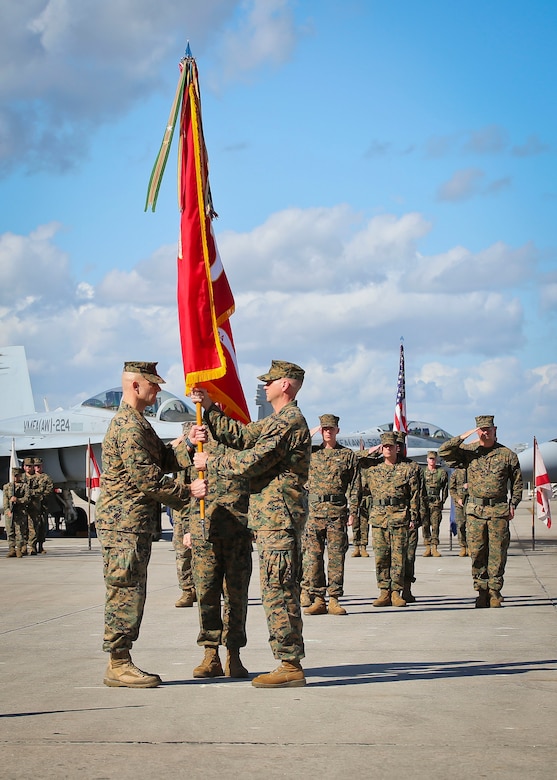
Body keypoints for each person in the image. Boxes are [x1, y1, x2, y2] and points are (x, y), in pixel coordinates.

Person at [190, 359, 311, 689]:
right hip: (270, 519)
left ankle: (289, 663)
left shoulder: (290, 421)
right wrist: (210, 407)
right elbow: (242, 437)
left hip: (279, 517)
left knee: (280, 591)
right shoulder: (278, 420)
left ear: (285, 384)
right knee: (275, 588)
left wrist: (211, 460)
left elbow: (253, 460)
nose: (265, 386)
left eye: (270, 381)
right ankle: (286, 661)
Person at [95, 361, 207, 688]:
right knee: (124, 591)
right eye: (153, 385)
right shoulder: (129, 427)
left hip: (132, 524)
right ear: (135, 386)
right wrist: (188, 491)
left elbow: (163, 459)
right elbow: (149, 479)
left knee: (130, 589)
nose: (157, 390)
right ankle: (118, 663)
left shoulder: (138, 423)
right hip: (123, 525)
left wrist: (187, 444)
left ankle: (121, 659)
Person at [183, 427, 253, 679]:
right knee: (207, 593)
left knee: (236, 596)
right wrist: (186, 528)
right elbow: (185, 487)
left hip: (238, 530)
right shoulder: (195, 437)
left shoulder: (242, 436)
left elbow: (255, 479)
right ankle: (210, 654)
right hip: (204, 531)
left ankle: (234, 654)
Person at [438, 415, 523, 608]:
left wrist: (514, 503)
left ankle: (494, 591)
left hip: (498, 510)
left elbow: (517, 482)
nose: (485, 433)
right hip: (475, 511)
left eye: (488, 429)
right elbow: (444, 451)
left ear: (495, 430)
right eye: (481, 430)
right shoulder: (469, 452)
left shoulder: (506, 455)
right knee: (476, 552)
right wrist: (464, 436)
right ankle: (481, 591)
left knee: (497, 553)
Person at [302, 414, 360, 616]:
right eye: (324, 428)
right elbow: (294, 446)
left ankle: (334, 598)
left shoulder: (347, 455)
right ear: (320, 430)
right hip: (314, 512)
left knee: (336, 557)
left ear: (337, 430)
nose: (327, 432)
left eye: (331, 429)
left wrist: (353, 511)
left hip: (337, 512)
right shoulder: (311, 453)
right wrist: (310, 434)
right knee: (314, 558)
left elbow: (355, 486)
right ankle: (318, 598)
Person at [362, 431, 420, 607]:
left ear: (397, 448)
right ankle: (384, 591)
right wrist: (371, 452)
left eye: (391, 446)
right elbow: (355, 459)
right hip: (379, 518)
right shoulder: (373, 468)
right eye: (385, 446)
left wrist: (414, 517)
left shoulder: (409, 468)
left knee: (398, 557)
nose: (388, 449)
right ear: (381, 448)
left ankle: (396, 592)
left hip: (400, 516)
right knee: (381, 556)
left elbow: (415, 495)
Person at [396, 431, 428, 604]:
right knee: (389, 557)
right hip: (389, 518)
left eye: (401, 445)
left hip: (409, 519)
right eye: (396, 445)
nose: (398, 448)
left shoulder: (413, 467)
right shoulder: (381, 466)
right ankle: (389, 591)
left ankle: (406, 590)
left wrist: (416, 519)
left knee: (408, 557)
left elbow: (419, 495)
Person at [421, 451, 448, 557]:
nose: (432, 461)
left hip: (436, 501)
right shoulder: (422, 472)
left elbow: (445, 488)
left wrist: (443, 501)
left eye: (433, 459)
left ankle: (434, 547)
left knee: (435, 525)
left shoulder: (441, 472)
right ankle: (427, 547)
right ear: (427, 460)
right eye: (430, 459)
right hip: (424, 502)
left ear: (436, 460)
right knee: (425, 525)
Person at [3, 467, 30, 558]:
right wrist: (7, 511)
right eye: (14, 476)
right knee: (10, 531)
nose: (15, 478)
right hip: (10, 512)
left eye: (17, 476)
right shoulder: (7, 487)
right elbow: (5, 500)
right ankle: (11, 549)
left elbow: (27, 498)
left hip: (20, 512)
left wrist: (18, 500)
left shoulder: (24, 486)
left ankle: (19, 549)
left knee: (19, 532)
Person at [33, 458, 54, 554]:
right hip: (32, 506)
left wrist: (40, 496)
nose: (37, 467)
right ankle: (32, 546)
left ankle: (40, 546)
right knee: (32, 526)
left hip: (42, 505)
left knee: (42, 525)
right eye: (36, 466)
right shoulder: (30, 477)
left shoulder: (46, 478)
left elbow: (49, 490)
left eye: (39, 465)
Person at [449, 466, 468, 556]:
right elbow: (452, 489)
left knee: (471, 526)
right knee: (460, 524)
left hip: (471, 502)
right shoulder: (456, 473)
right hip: (459, 503)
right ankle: (463, 546)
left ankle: (470, 547)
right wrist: (457, 499)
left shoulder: (472, 471)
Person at [22, 457, 38, 554]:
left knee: (33, 528)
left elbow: (40, 490)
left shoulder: (37, 478)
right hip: (23, 507)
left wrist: (30, 492)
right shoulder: (21, 477)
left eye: (30, 466)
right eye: (27, 466)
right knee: (23, 528)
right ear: (24, 467)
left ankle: (32, 547)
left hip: (34, 506)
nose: (28, 468)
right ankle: (23, 547)